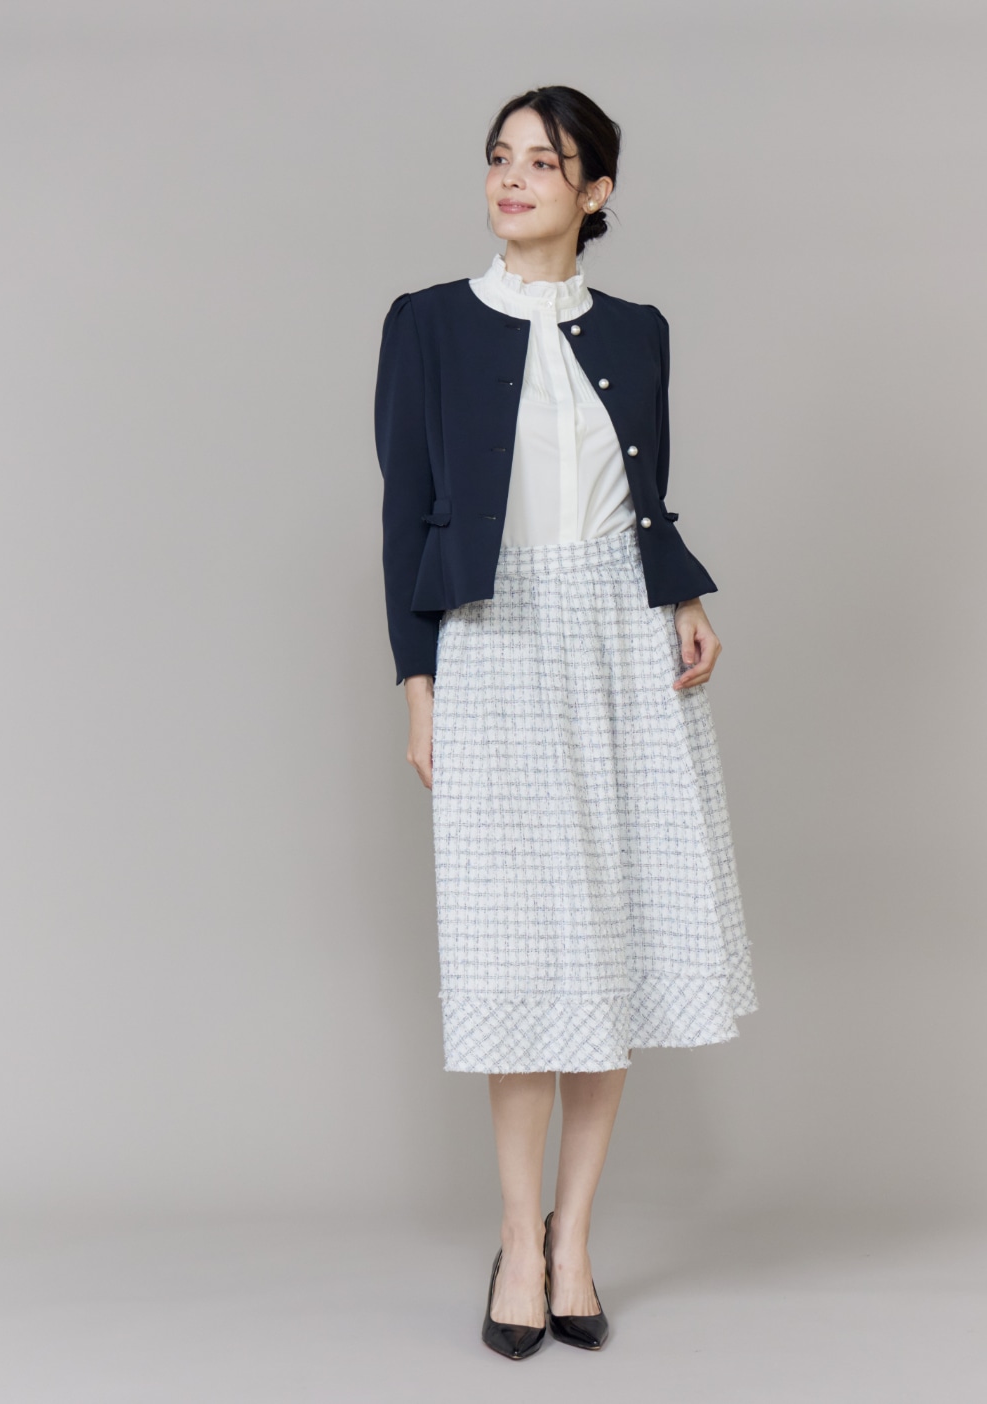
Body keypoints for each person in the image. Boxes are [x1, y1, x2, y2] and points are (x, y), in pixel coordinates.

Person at [374, 85, 757, 1360]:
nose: (514, 178)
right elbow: (407, 514)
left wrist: (683, 595)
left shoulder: (639, 332)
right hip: (494, 636)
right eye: (501, 157)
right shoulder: (428, 324)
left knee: (613, 939)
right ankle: (517, 1235)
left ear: (596, 193)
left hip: (620, 638)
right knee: (522, 949)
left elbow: (645, 498)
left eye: (545, 162)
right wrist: (419, 685)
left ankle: (575, 1236)